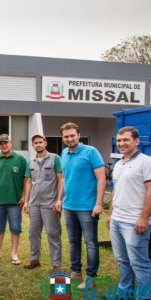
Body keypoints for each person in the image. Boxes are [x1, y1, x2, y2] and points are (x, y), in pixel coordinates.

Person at [106, 126, 151, 300]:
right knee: (122, 260)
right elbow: (115, 190)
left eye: (126, 140)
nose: (121, 144)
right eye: (119, 141)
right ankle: (125, 292)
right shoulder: (119, 163)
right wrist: (111, 214)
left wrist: (144, 217)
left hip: (135, 222)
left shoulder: (147, 162)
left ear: (136, 141)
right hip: (118, 220)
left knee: (140, 263)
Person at [61, 122, 106, 288]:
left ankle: (91, 277)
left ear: (79, 135)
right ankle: (75, 272)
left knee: (90, 243)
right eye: (66, 136)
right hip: (69, 205)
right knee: (73, 241)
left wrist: (99, 204)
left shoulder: (91, 152)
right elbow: (65, 178)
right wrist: (61, 199)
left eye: (72, 135)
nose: (69, 139)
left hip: (87, 206)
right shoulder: (64, 152)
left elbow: (102, 178)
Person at [22, 133, 63, 270]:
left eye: (40, 142)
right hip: (34, 204)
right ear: (32, 146)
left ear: (45, 143)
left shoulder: (55, 159)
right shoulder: (31, 162)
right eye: (35, 143)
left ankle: (56, 264)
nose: (38, 144)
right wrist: (26, 201)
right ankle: (34, 259)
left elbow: (60, 179)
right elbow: (28, 182)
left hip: (50, 204)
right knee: (33, 233)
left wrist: (59, 200)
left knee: (53, 234)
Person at [0, 134, 28, 264]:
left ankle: (14, 254)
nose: (4, 146)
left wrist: (24, 197)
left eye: (6, 143)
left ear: (11, 143)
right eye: (1, 144)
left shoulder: (20, 159)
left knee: (15, 228)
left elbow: (27, 180)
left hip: (15, 202)